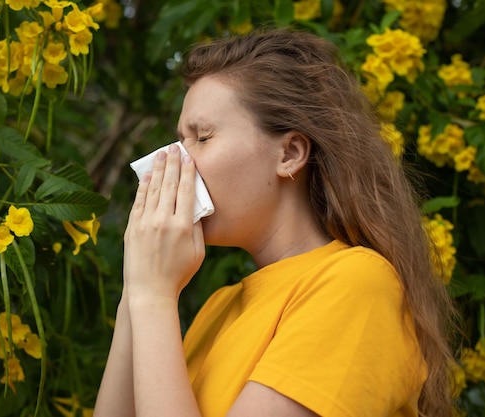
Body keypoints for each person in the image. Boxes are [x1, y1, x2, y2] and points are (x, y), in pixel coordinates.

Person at [93, 29, 457, 417]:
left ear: (290, 153)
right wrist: (139, 288)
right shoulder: (219, 307)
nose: (176, 162)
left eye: (201, 137)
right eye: (179, 142)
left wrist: (154, 297)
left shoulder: (356, 284)